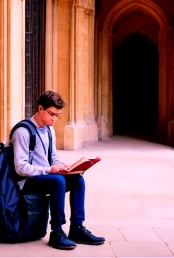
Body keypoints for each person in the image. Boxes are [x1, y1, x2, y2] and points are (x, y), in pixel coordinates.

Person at [11, 90, 105, 250]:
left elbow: (53, 157)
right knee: (57, 181)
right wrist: (50, 170)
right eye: (51, 114)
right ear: (40, 109)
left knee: (77, 180)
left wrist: (65, 167)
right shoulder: (23, 131)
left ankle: (77, 228)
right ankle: (56, 231)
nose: (54, 119)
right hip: (26, 182)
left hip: (45, 176)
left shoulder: (49, 130)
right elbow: (20, 168)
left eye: (57, 115)